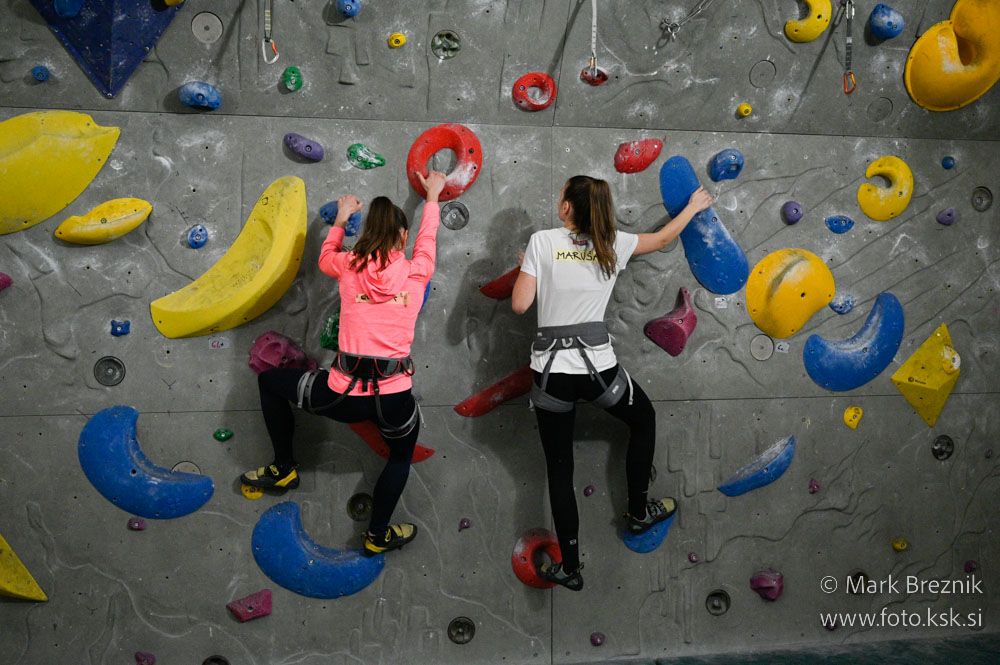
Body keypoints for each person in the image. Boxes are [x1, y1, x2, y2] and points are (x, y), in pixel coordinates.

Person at [511, 174, 712, 590]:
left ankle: (570, 567)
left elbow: (520, 304)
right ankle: (638, 511)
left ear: (567, 206)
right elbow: (662, 239)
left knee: (559, 470)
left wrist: (528, 268)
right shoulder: (612, 243)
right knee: (644, 419)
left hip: (551, 375)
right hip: (598, 371)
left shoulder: (542, 242)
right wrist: (693, 208)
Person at [241, 170, 447, 558]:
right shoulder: (418, 269)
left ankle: (283, 467)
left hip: (341, 396)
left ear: (368, 234)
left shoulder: (350, 264)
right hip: (394, 400)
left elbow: (324, 257)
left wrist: (340, 216)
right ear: (403, 237)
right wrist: (432, 196)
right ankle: (377, 535)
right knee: (401, 456)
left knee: (270, 382)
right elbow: (429, 238)